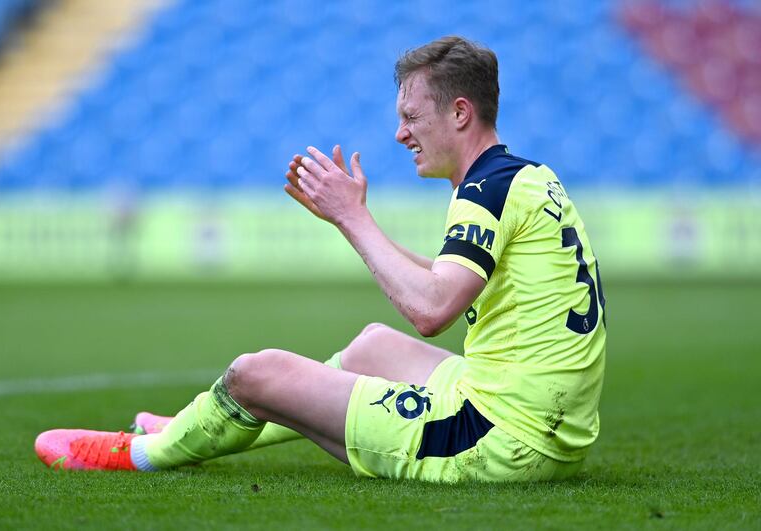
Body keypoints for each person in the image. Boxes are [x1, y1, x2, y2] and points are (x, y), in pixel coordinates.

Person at [35, 35, 606, 483]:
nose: (399, 132)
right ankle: (197, 425)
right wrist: (347, 216)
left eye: (411, 116)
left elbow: (432, 311)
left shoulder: (483, 193)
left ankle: (141, 454)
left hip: (500, 441)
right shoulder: (523, 177)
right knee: (370, 346)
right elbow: (446, 281)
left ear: (460, 113)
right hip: (543, 422)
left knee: (255, 374)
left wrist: (353, 218)